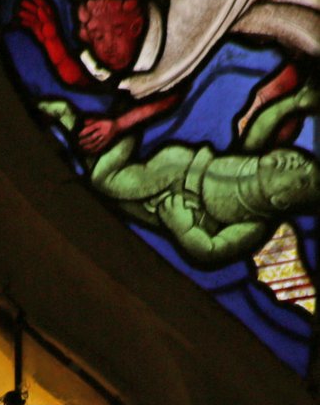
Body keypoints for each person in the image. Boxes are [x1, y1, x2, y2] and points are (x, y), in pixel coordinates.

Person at [18, 0, 319, 152]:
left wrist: (53, 41)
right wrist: (119, 124)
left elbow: (88, 76)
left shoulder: (144, 55)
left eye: (92, 33)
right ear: (132, 22)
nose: (83, 28)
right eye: (93, 33)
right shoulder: (192, 13)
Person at [37, 77, 319, 266]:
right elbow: (265, 121)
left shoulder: (253, 226)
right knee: (105, 181)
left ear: (281, 201)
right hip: (177, 165)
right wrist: (295, 102)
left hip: (174, 207)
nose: (297, 163)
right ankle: (119, 127)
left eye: (302, 178)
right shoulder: (251, 156)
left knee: (111, 185)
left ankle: (71, 121)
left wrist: (184, 228)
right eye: (303, 161)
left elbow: (212, 249)